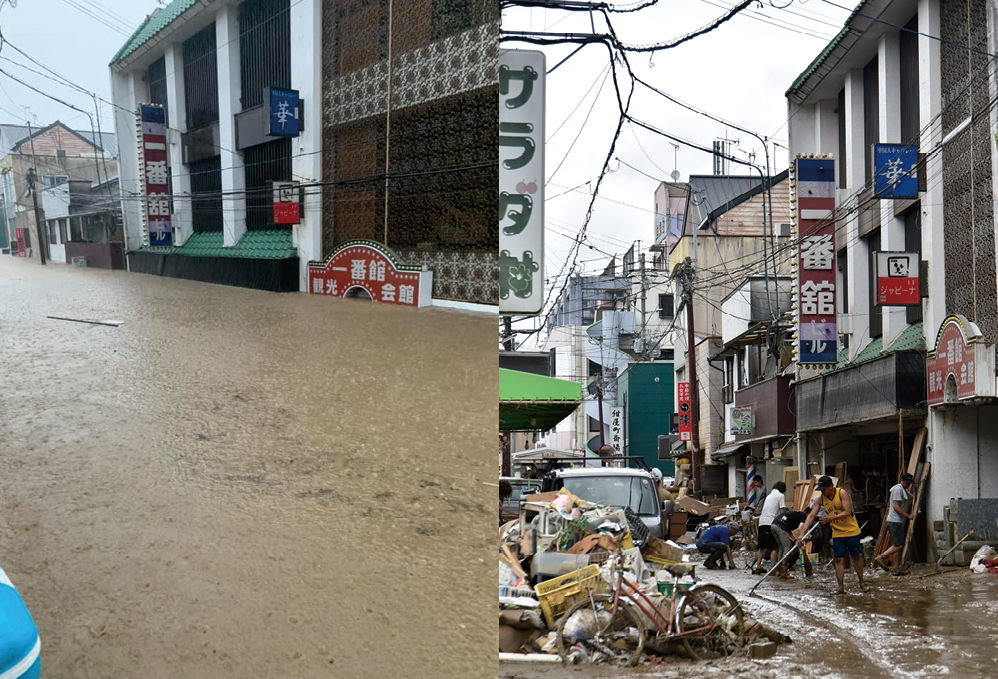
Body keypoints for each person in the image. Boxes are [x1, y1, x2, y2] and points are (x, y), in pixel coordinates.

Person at [801, 475, 867, 594]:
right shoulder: (820, 499)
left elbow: (847, 511)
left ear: (831, 487)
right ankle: (840, 587)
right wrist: (802, 533)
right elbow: (811, 516)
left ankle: (862, 582)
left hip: (851, 530)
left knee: (856, 556)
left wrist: (829, 518)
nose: (822, 491)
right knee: (838, 559)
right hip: (837, 533)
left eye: (824, 489)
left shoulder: (841, 493)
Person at [873, 473, 915, 571]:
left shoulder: (903, 490)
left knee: (897, 545)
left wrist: (916, 489)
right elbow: (896, 507)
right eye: (907, 482)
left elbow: (911, 497)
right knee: (900, 545)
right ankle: (882, 557)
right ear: (902, 480)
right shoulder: (898, 490)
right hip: (894, 521)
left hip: (897, 521)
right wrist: (907, 515)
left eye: (910, 483)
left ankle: (896, 567)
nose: (908, 484)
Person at [753, 481, 787, 575]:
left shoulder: (769, 496)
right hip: (770, 523)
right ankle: (772, 568)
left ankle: (758, 567)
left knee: (762, 547)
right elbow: (782, 511)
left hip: (761, 522)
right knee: (774, 547)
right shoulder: (780, 496)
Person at [770, 509, 808, 579]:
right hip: (781, 527)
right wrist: (800, 538)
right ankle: (784, 571)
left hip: (773, 525)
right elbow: (800, 528)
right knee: (787, 548)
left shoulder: (795, 515)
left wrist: (794, 539)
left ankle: (779, 569)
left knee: (781, 548)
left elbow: (788, 530)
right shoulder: (804, 516)